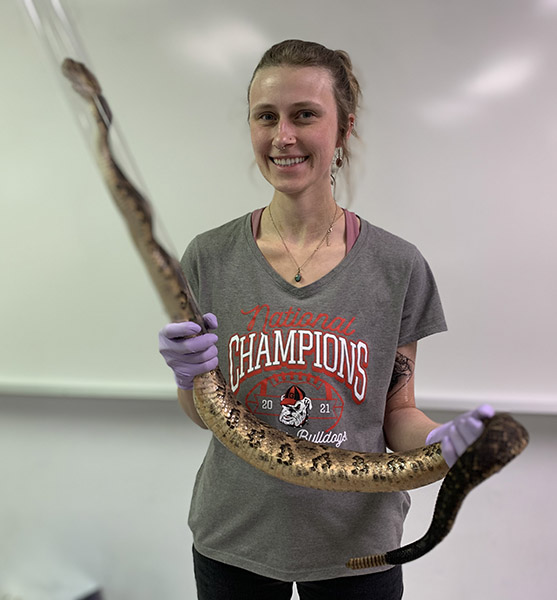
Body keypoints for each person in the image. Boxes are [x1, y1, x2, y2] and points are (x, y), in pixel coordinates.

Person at [158, 39, 494, 600]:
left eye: (305, 115)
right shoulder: (208, 257)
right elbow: (205, 416)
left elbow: (396, 412)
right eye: (266, 116)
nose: (282, 136)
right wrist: (185, 381)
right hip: (234, 536)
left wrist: (437, 442)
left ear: (342, 130)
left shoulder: (397, 266)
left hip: (357, 546)